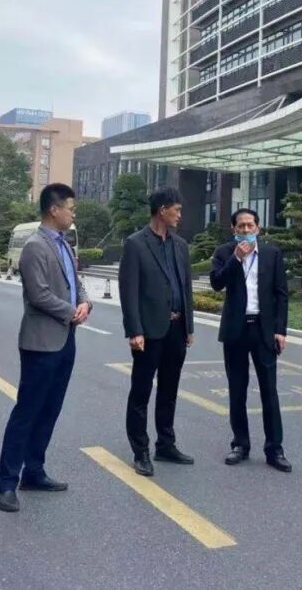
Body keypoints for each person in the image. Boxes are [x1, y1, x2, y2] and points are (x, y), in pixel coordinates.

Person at [0, 183, 92, 512]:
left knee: (50, 409)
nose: (73, 214)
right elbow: (38, 295)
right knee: (27, 412)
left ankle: (33, 472)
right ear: (54, 209)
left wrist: (85, 303)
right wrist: (71, 311)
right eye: (70, 208)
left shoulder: (64, 244)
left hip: (65, 338)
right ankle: (5, 483)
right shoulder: (35, 246)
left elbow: (75, 283)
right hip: (41, 342)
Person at [119, 186, 194, 477]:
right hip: (149, 330)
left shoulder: (180, 245)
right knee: (141, 391)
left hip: (176, 328)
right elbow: (129, 290)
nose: (180, 215)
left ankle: (166, 444)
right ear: (162, 210)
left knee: (169, 390)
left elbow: (185, 287)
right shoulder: (136, 244)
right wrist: (134, 330)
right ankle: (141, 451)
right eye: (177, 210)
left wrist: (188, 326)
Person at [210, 209, 291, 473]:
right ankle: (240, 444)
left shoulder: (271, 253)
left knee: (269, 390)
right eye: (241, 226)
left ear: (258, 228)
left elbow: (281, 294)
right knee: (237, 390)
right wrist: (236, 258)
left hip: (263, 329)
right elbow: (216, 283)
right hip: (235, 329)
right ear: (233, 229)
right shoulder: (224, 252)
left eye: (250, 225)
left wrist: (280, 330)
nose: (246, 230)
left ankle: (274, 449)